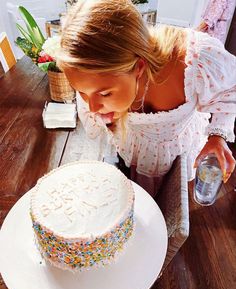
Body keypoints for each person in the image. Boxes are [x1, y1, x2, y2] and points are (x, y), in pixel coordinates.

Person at [57, 0, 236, 197]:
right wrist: (109, 124)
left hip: (181, 157)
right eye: (82, 92)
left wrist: (218, 136)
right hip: (136, 156)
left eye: (106, 93)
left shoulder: (194, 61)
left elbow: (230, 91)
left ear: (139, 67)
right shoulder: (92, 83)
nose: (92, 107)